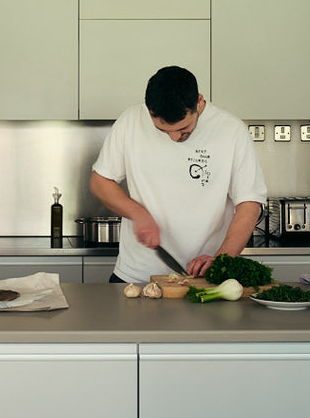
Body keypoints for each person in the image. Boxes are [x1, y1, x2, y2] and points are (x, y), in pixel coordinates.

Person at [90, 66, 267, 283]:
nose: (174, 138)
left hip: (203, 278)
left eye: (184, 129)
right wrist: (138, 213)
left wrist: (221, 261)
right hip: (136, 275)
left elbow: (249, 204)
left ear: (199, 102)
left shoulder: (231, 131)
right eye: (163, 131)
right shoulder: (130, 121)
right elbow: (100, 182)